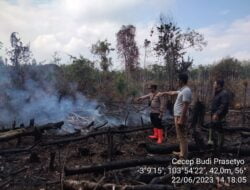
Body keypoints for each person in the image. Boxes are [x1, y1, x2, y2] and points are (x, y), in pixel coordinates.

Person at [158, 73, 192, 159]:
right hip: (178, 116)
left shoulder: (186, 90)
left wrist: (181, 119)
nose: (177, 81)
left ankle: (183, 157)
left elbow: (186, 105)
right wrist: (163, 93)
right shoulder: (182, 90)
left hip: (181, 117)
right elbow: (173, 93)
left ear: (181, 80)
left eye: (178, 80)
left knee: (182, 137)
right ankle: (182, 152)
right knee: (180, 137)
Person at [208, 79, 229, 147]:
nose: (213, 85)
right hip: (214, 113)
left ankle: (220, 145)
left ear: (219, 85)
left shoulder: (224, 93)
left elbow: (223, 105)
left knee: (219, 128)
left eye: (215, 83)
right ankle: (211, 141)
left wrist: (217, 113)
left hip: (219, 114)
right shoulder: (216, 92)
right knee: (212, 126)